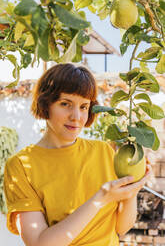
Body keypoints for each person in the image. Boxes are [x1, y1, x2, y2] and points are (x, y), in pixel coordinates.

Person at [4, 63, 151, 246]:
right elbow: (39, 243)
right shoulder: (21, 166)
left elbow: (121, 227)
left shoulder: (104, 152)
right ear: (45, 104)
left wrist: (133, 191)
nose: (77, 116)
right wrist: (99, 200)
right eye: (65, 104)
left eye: (83, 107)